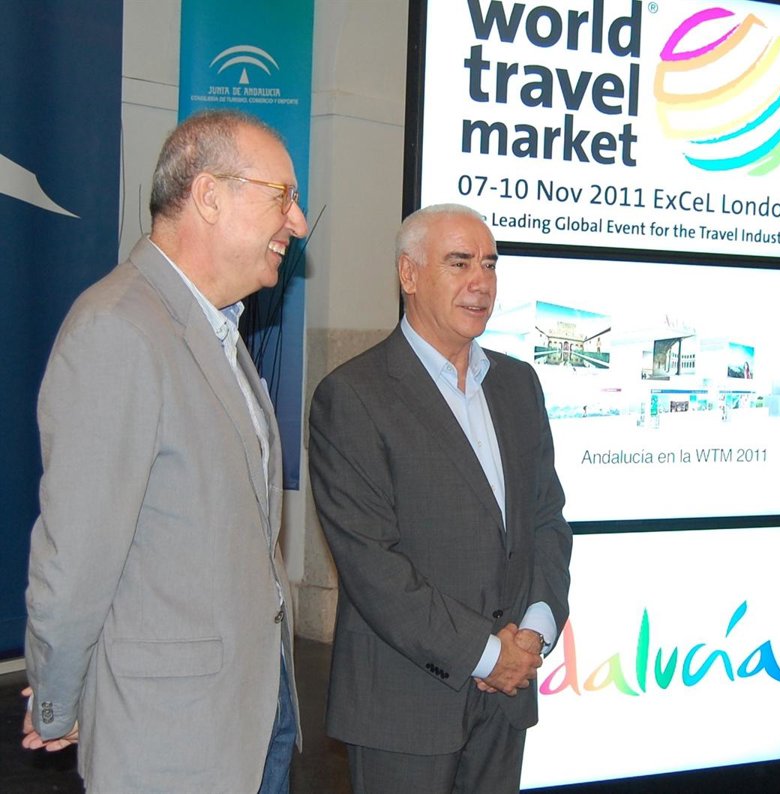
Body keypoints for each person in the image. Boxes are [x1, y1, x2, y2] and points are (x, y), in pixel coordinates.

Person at [22, 109, 308, 792]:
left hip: (252, 717)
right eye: (283, 197)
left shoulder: (218, 330)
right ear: (209, 196)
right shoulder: (119, 330)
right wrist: (56, 701)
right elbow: (75, 559)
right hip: (173, 739)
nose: (298, 224)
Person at [308, 203, 572, 793]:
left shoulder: (518, 385)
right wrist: (486, 655)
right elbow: (372, 566)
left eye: (489, 264)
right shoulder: (353, 396)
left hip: (506, 701)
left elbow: (547, 522)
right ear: (409, 274)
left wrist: (533, 632)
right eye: (459, 263)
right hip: (405, 705)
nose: (481, 282)